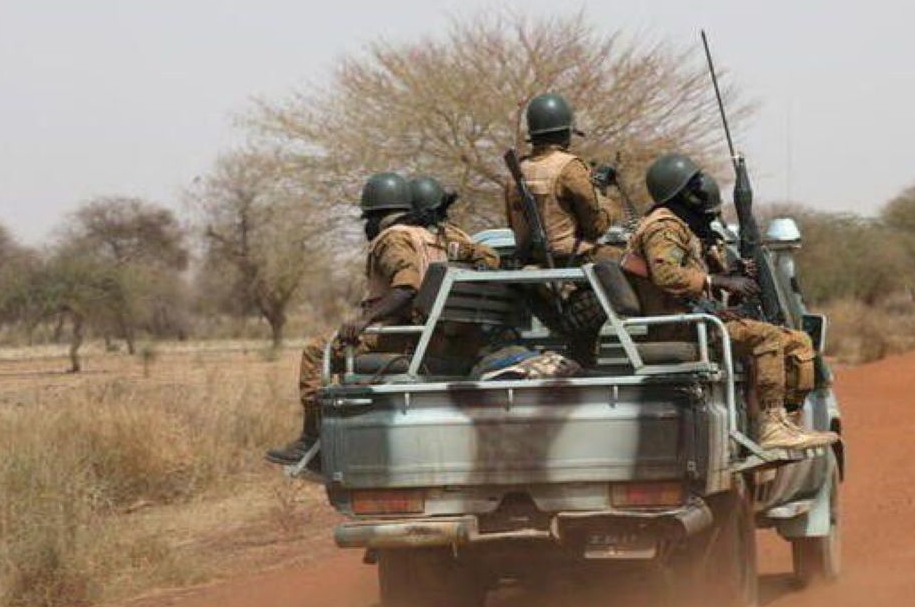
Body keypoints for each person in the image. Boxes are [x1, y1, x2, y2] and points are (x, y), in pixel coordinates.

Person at [266, 173, 499, 467]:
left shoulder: (393, 238)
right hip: (441, 337)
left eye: (368, 218)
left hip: (407, 337)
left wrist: (365, 320)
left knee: (316, 351)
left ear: (377, 216)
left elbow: (406, 287)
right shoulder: (446, 238)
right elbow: (489, 257)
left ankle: (312, 440)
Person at [622, 154, 829, 450]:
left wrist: (731, 275)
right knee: (767, 337)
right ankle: (771, 427)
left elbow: (691, 274)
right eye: (693, 186)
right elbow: (666, 274)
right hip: (683, 327)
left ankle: (784, 421)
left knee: (798, 342)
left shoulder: (682, 226)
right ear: (680, 192)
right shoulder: (663, 227)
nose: (701, 190)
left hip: (699, 321)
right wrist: (717, 281)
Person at [504, 92, 622, 365]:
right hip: (574, 258)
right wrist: (604, 198)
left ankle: (580, 343)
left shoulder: (517, 173)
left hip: (533, 263)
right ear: (565, 133)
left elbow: (514, 224)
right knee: (633, 263)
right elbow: (596, 226)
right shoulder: (570, 168)